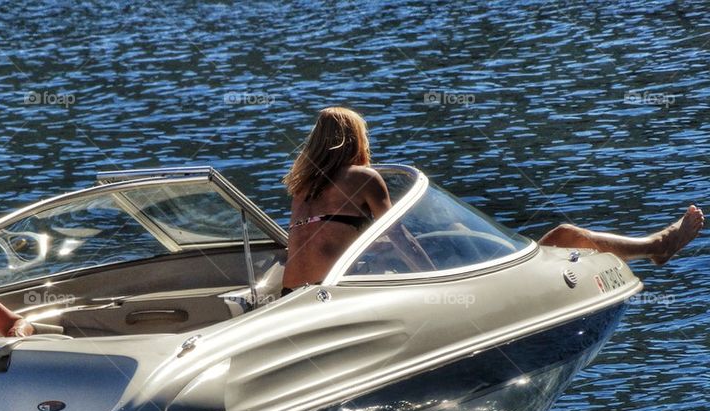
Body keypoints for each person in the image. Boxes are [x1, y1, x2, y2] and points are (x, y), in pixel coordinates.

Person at [282, 106, 705, 291]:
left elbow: (338, 245)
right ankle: (655, 247)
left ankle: (655, 247)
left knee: (457, 229)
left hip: (299, 294)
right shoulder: (363, 178)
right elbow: (400, 238)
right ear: (354, 140)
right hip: (333, 295)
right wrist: (439, 282)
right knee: (564, 234)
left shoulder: (302, 191)